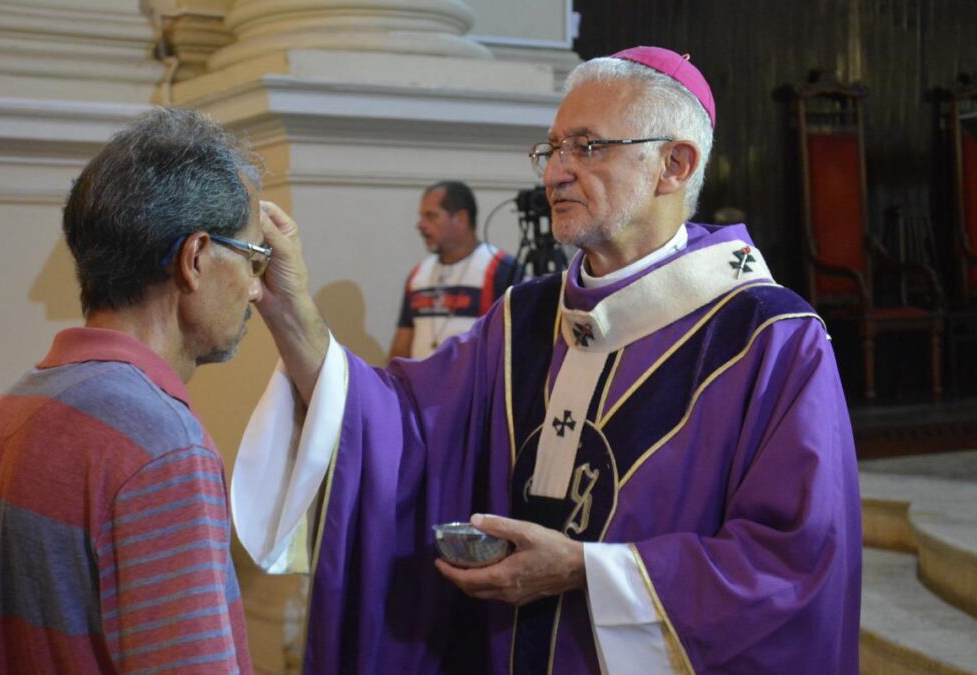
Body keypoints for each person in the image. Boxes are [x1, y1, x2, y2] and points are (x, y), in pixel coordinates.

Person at [233, 46, 862, 674]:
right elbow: (399, 427)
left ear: (674, 164)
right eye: (552, 148)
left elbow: (795, 562)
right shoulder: (523, 319)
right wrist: (289, 309)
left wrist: (587, 571)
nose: (555, 173)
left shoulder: (769, 339)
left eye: (586, 148)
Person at [0, 108, 262, 674]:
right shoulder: (163, 447)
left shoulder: (14, 407)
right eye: (253, 258)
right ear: (195, 259)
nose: (256, 289)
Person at [389, 180, 523, 361]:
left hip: (474, 388)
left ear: (460, 218)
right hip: (421, 388)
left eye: (431, 216)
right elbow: (401, 345)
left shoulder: (502, 270)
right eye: (422, 216)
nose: (420, 225)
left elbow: (517, 346)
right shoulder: (418, 274)